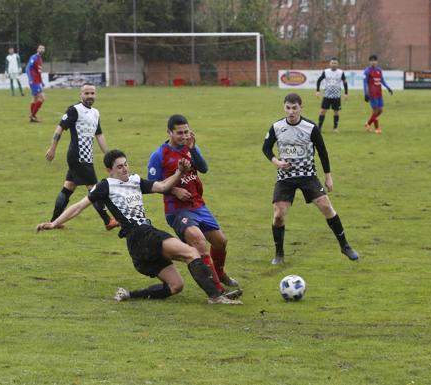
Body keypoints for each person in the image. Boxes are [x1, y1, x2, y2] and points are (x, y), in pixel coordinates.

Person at [37, 149, 242, 305]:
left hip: (141, 243)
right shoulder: (105, 186)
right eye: (120, 167)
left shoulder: (135, 181)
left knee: (175, 286)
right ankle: (215, 296)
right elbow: (79, 206)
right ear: (109, 170)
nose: (125, 169)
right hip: (140, 235)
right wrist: (55, 223)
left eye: (126, 164)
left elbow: (162, 186)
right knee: (192, 252)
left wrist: (179, 172)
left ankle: (128, 295)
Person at [147, 114, 240, 297]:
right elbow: (152, 184)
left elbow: (204, 168)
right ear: (169, 132)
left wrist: (194, 149)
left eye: (186, 132)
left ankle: (220, 274)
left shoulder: (189, 147)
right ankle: (217, 291)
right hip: (177, 210)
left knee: (220, 242)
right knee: (198, 241)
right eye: (179, 133)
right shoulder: (159, 155)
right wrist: (175, 191)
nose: (183, 136)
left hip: (198, 205)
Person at [262, 93, 359, 265]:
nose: (291, 111)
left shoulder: (310, 127)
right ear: (284, 107)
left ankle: (345, 246)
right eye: (288, 108)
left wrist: (328, 177)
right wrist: (276, 161)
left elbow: (322, 152)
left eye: (294, 108)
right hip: (285, 178)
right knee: (278, 215)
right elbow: (266, 148)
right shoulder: (277, 127)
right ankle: (279, 254)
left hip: (308, 176)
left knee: (326, 206)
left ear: (301, 108)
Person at [45, 83, 118, 231]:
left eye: (92, 93)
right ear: (81, 95)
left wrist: (109, 156)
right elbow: (60, 129)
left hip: (86, 156)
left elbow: (99, 135)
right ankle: (108, 221)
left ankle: (54, 221)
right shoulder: (74, 110)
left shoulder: (95, 113)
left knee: (68, 187)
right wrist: (52, 148)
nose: (90, 96)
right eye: (87, 93)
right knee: (95, 190)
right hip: (78, 156)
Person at [315, 57, 348, 132]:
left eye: (335, 63)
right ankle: (319, 128)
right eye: (332, 63)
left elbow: (345, 82)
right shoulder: (326, 72)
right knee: (322, 111)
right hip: (327, 95)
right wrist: (317, 91)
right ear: (330, 64)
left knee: (336, 112)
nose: (334, 64)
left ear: (337, 64)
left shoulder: (341, 72)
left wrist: (346, 93)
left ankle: (335, 128)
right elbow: (319, 80)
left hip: (337, 96)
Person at [363, 54, 393, 134]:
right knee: (375, 111)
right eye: (372, 61)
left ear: (377, 62)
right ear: (369, 62)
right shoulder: (367, 71)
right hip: (372, 94)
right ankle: (377, 128)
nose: (373, 62)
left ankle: (368, 123)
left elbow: (382, 80)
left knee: (380, 110)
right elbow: (365, 83)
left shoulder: (379, 70)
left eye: (375, 61)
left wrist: (388, 88)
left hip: (379, 93)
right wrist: (366, 93)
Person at [25, 45, 45, 122]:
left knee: (35, 98)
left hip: (37, 81)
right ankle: (33, 115)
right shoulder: (34, 57)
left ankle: (32, 117)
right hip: (33, 81)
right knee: (42, 98)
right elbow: (27, 68)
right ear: (37, 49)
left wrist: (41, 81)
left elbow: (38, 72)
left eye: (43, 48)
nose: (42, 49)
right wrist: (30, 79)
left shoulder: (40, 59)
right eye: (40, 48)